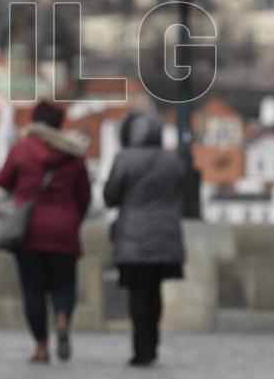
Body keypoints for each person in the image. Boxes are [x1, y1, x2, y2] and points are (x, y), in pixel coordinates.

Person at [0, 100, 91, 364]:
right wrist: (71, 220)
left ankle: (40, 347)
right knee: (64, 285)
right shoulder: (73, 154)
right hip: (64, 230)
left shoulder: (22, 149)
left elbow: (1, 180)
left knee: (33, 290)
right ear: (59, 124)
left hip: (29, 232)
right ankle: (61, 318)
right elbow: (84, 198)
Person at [103, 110, 184, 367]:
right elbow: (179, 189)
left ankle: (141, 348)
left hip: (133, 235)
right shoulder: (172, 160)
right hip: (165, 233)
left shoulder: (124, 159)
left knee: (137, 292)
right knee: (154, 290)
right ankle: (153, 342)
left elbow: (110, 196)